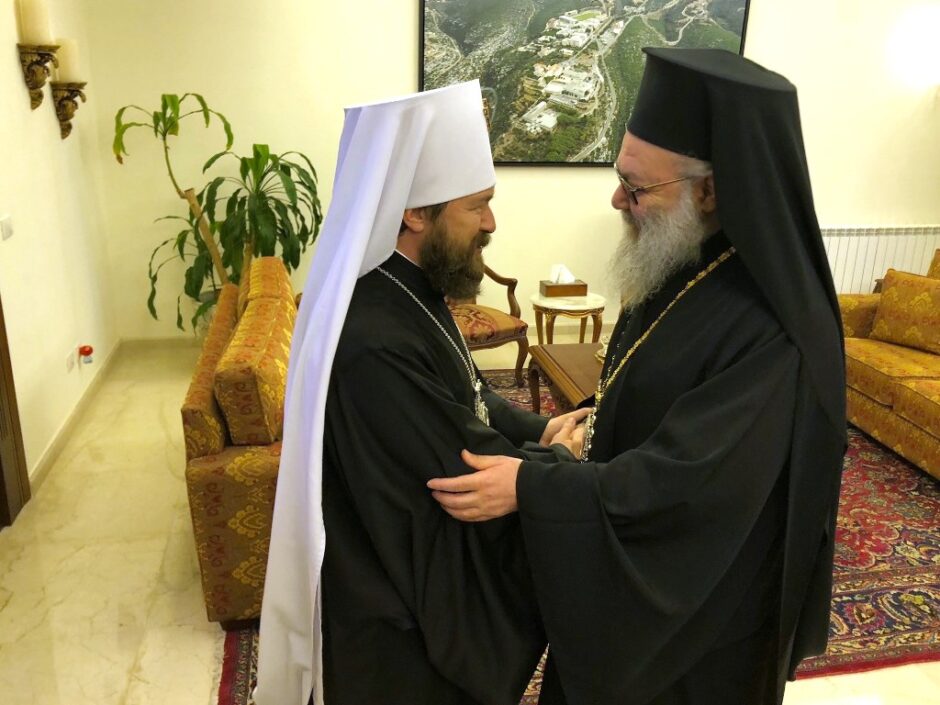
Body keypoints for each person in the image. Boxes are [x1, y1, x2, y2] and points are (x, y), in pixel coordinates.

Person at [428, 48, 847, 705]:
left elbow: (691, 481)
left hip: (701, 621)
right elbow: (650, 378)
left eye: (637, 186)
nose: (617, 198)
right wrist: (592, 421)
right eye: (620, 176)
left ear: (711, 190)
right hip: (634, 593)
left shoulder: (773, 327)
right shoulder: (675, 259)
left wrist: (534, 486)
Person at [254, 80, 586, 705]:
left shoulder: (410, 285)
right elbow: (462, 472)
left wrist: (537, 429)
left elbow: (470, 391)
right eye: (477, 206)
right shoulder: (374, 337)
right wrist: (559, 462)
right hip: (396, 619)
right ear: (415, 214)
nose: (491, 223)